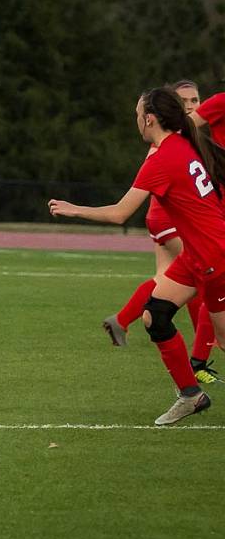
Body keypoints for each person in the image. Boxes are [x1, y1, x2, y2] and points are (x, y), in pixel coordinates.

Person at [49, 86, 225, 425]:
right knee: (154, 317)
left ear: (150, 119)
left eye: (137, 116)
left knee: (222, 340)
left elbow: (119, 213)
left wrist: (74, 210)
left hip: (215, 257)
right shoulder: (184, 143)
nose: (136, 122)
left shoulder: (163, 158)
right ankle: (191, 396)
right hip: (197, 254)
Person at [102, 80, 219, 384]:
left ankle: (195, 366)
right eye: (184, 102)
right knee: (175, 296)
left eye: (195, 100)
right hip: (185, 230)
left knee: (168, 286)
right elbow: (121, 212)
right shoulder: (176, 146)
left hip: (209, 246)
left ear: (150, 118)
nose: (191, 107)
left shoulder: (182, 145)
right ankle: (194, 378)